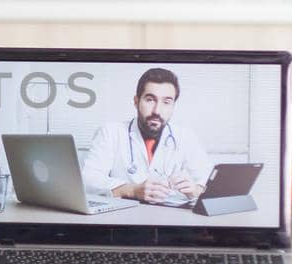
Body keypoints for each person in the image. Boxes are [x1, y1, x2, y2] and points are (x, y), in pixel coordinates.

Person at [80, 67, 211, 204]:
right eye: (150, 100)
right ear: (136, 101)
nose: (157, 111)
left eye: (166, 102)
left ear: (173, 106)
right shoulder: (110, 132)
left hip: (171, 218)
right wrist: (132, 190)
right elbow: (88, 179)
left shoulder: (187, 137)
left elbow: (209, 182)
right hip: (123, 218)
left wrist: (196, 190)